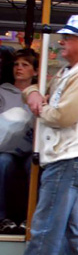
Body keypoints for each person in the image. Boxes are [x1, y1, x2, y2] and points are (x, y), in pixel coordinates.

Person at [0, 15, 78, 255]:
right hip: (72, 155)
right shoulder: (76, 71)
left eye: (68, 38)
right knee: (73, 226)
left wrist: (38, 107)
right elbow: (46, 98)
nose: (61, 42)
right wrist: (35, 93)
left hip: (67, 156)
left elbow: (62, 116)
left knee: (46, 225)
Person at [0, 49, 38, 234]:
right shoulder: (2, 92)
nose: (19, 68)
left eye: (25, 65)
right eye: (16, 64)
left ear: (35, 71)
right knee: (3, 163)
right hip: (7, 147)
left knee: (34, 165)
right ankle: (2, 218)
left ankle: (29, 218)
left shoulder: (40, 94)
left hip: (32, 147)